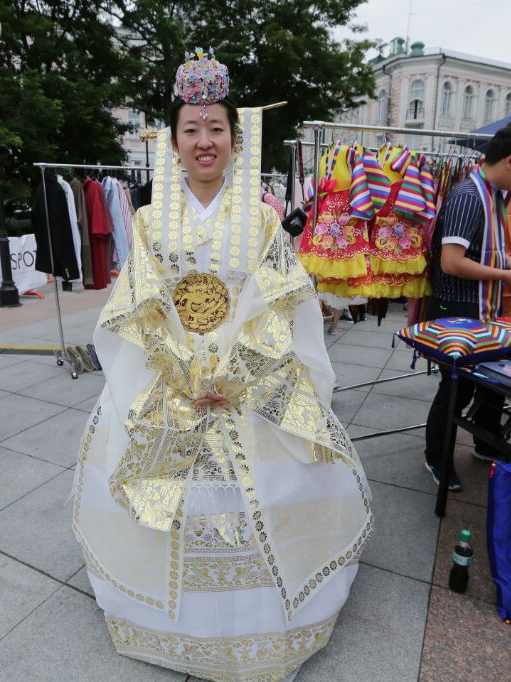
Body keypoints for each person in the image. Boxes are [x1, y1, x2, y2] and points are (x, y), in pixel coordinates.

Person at [71, 52, 371, 681]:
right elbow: (136, 305)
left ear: (236, 138)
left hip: (249, 378)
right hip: (169, 376)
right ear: (173, 141)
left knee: (269, 490)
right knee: (165, 489)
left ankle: (258, 625)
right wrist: (182, 370)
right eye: (191, 129)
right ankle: (171, 622)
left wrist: (234, 373)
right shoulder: (147, 220)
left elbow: (283, 300)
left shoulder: (261, 218)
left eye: (216, 129)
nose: (204, 141)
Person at [423, 121, 511, 490]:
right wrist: (504, 275)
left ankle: (486, 443)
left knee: (492, 381)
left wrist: (509, 263)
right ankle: (437, 457)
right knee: (456, 389)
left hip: (479, 308)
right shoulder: (468, 196)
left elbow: (481, 249)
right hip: (457, 310)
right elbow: (451, 262)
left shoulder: (491, 194)